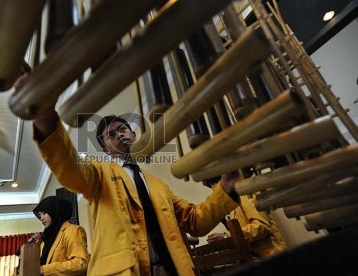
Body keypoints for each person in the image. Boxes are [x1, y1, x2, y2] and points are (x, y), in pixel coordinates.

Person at [26, 101, 242, 276]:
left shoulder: (158, 186)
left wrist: (225, 188)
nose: (120, 135)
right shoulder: (99, 173)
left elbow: (195, 221)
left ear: (133, 135)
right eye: (111, 135)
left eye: (123, 129)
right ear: (106, 150)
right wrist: (47, 124)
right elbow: (72, 169)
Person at [205, 176, 286, 258]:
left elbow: (261, 226)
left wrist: (226, 236)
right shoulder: (235, 204)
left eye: (213, 185)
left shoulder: (245, 195)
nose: (213, 190)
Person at [33, 196, 89, 275]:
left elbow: (81, 263)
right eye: (40, 215)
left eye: (44, 213)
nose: (41, 218)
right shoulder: (46, 241)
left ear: (54, 211)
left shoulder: (73, 231)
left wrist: (44, 269)